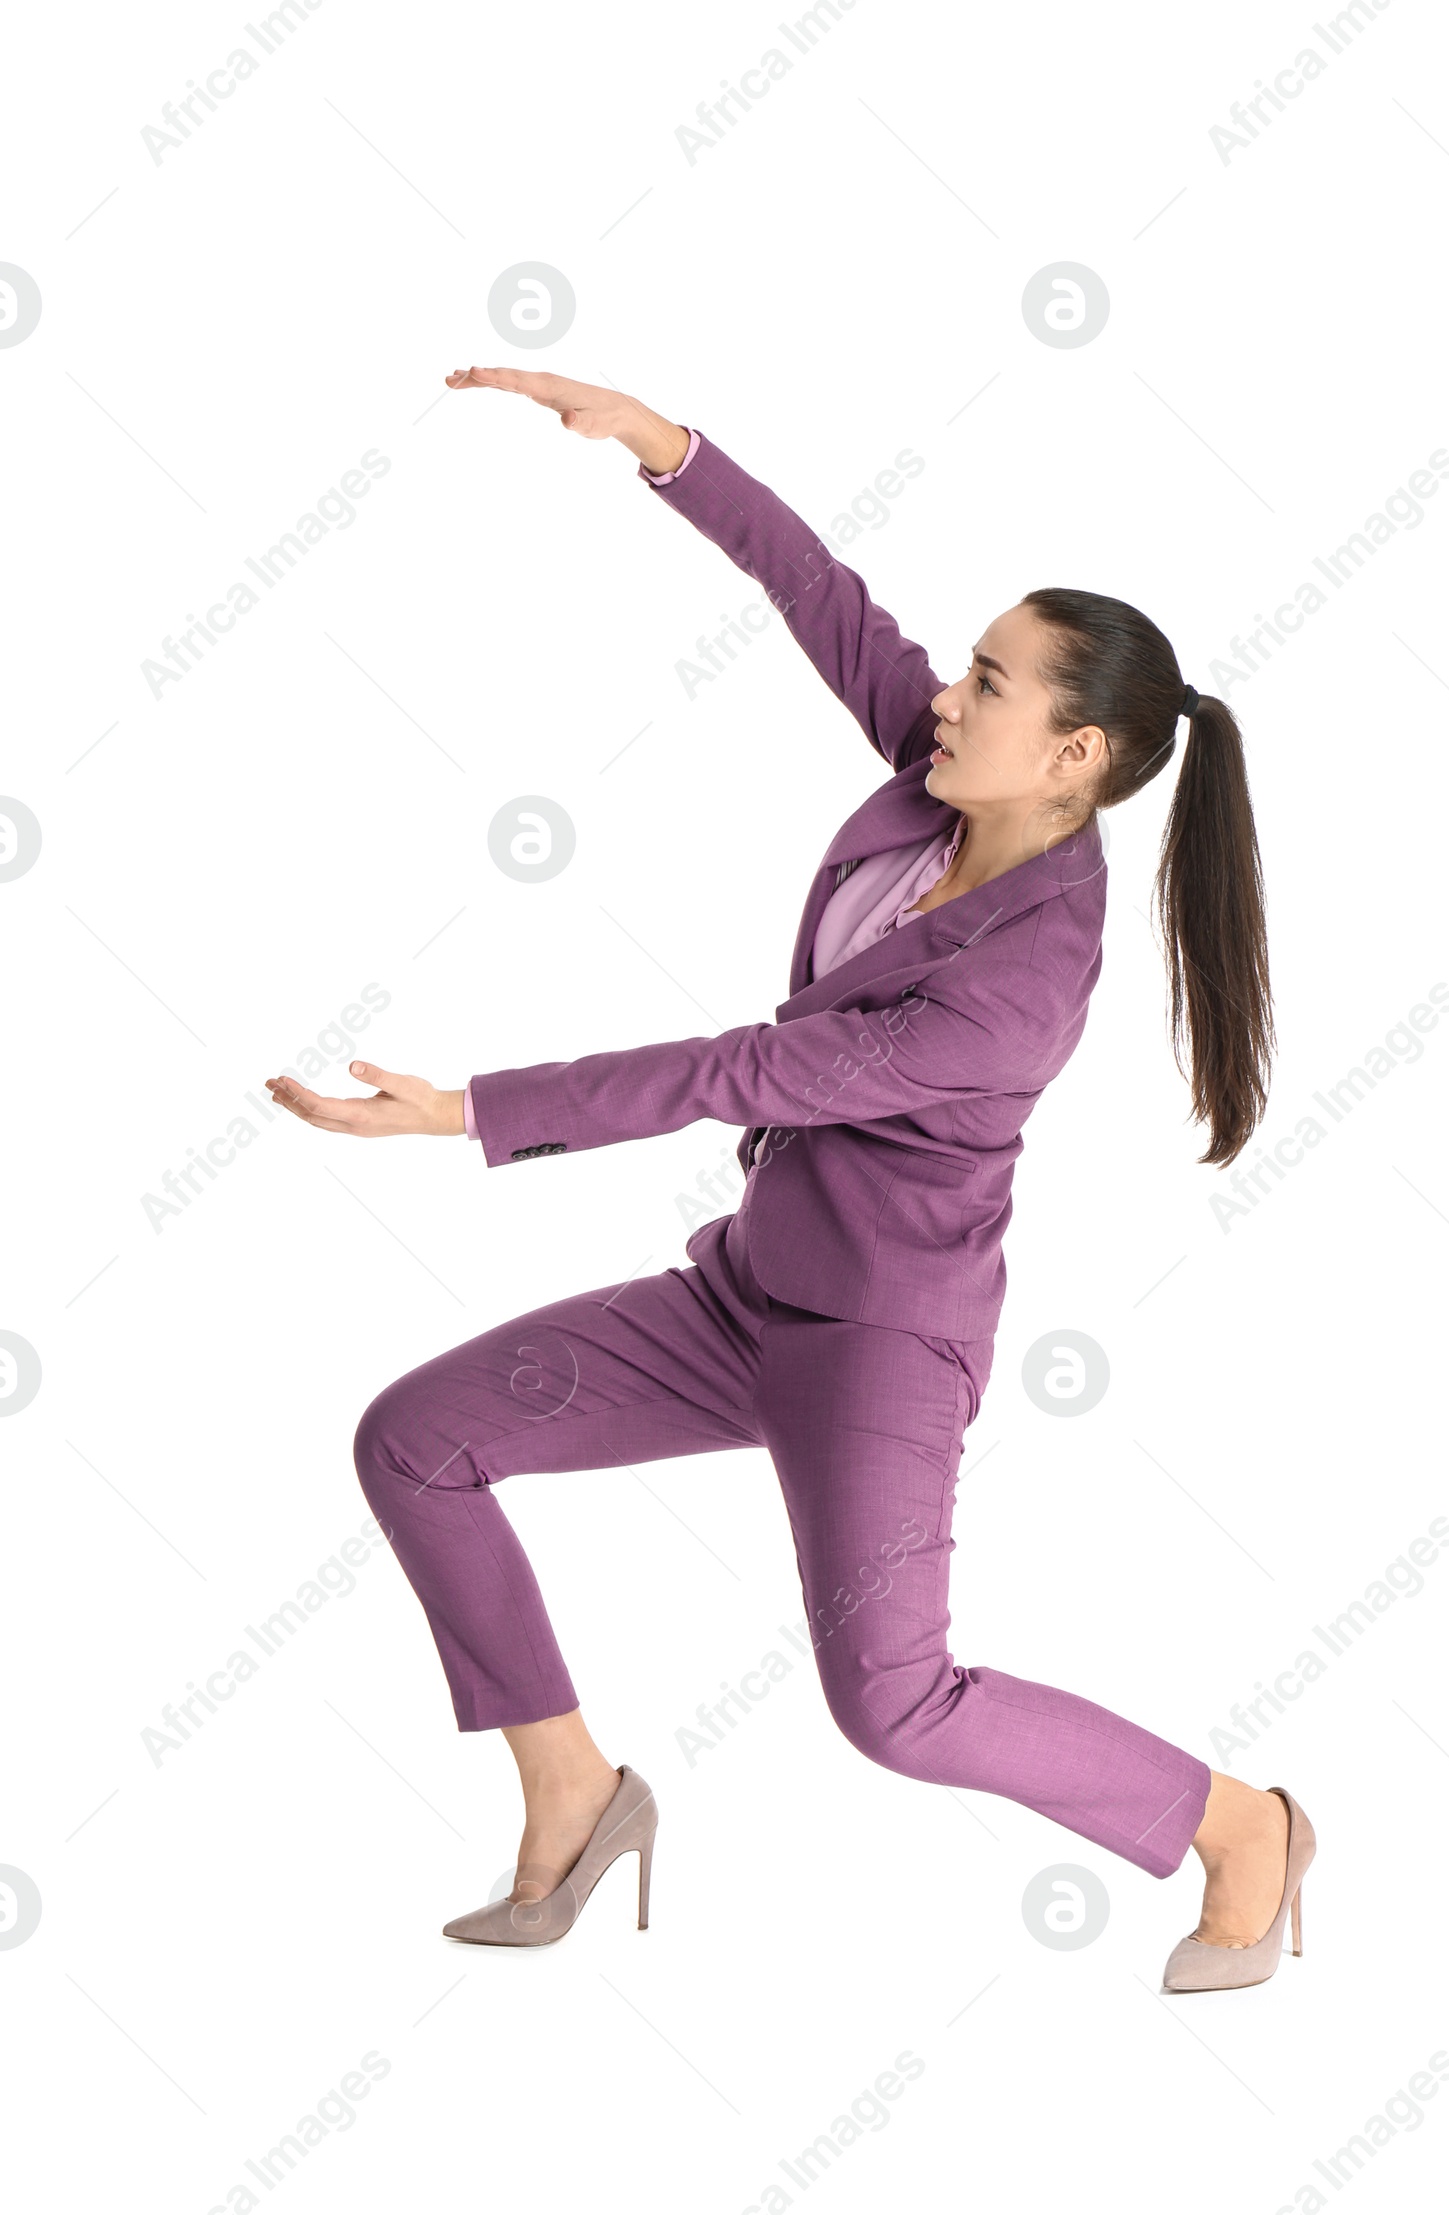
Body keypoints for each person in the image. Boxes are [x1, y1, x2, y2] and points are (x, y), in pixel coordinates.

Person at [266, 369, 1314, 1991]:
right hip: (746, 1289)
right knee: (419, 1439)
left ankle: (1239, 1824)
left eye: (988, 681)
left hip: (881, 1342)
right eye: (963, 667)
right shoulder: (944, 790)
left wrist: (471, 1109)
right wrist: (665, 447)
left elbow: (740, 1073)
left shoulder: (1019, 979)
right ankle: (571, 1788)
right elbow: (823, 593)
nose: (947, 697)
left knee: (895, 1709)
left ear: (1077, 752)